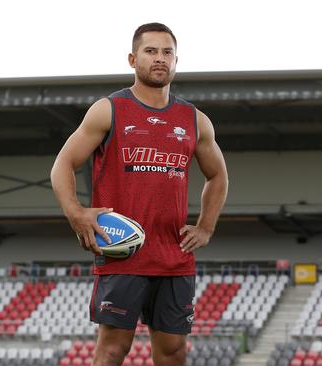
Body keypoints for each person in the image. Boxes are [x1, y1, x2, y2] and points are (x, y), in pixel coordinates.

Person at [50, 22, 228, 366]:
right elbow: (63, 164)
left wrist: (206, 226)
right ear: (133, 59)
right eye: (150, 51)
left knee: (174, 352)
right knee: (113, 350)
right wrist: (76, 213)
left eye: (167, 52)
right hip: (123, 253)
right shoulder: (109, 109)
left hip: (174, 255)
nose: (159, 58)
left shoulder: (194, 120)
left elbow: (218, 175)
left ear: (176, 60)